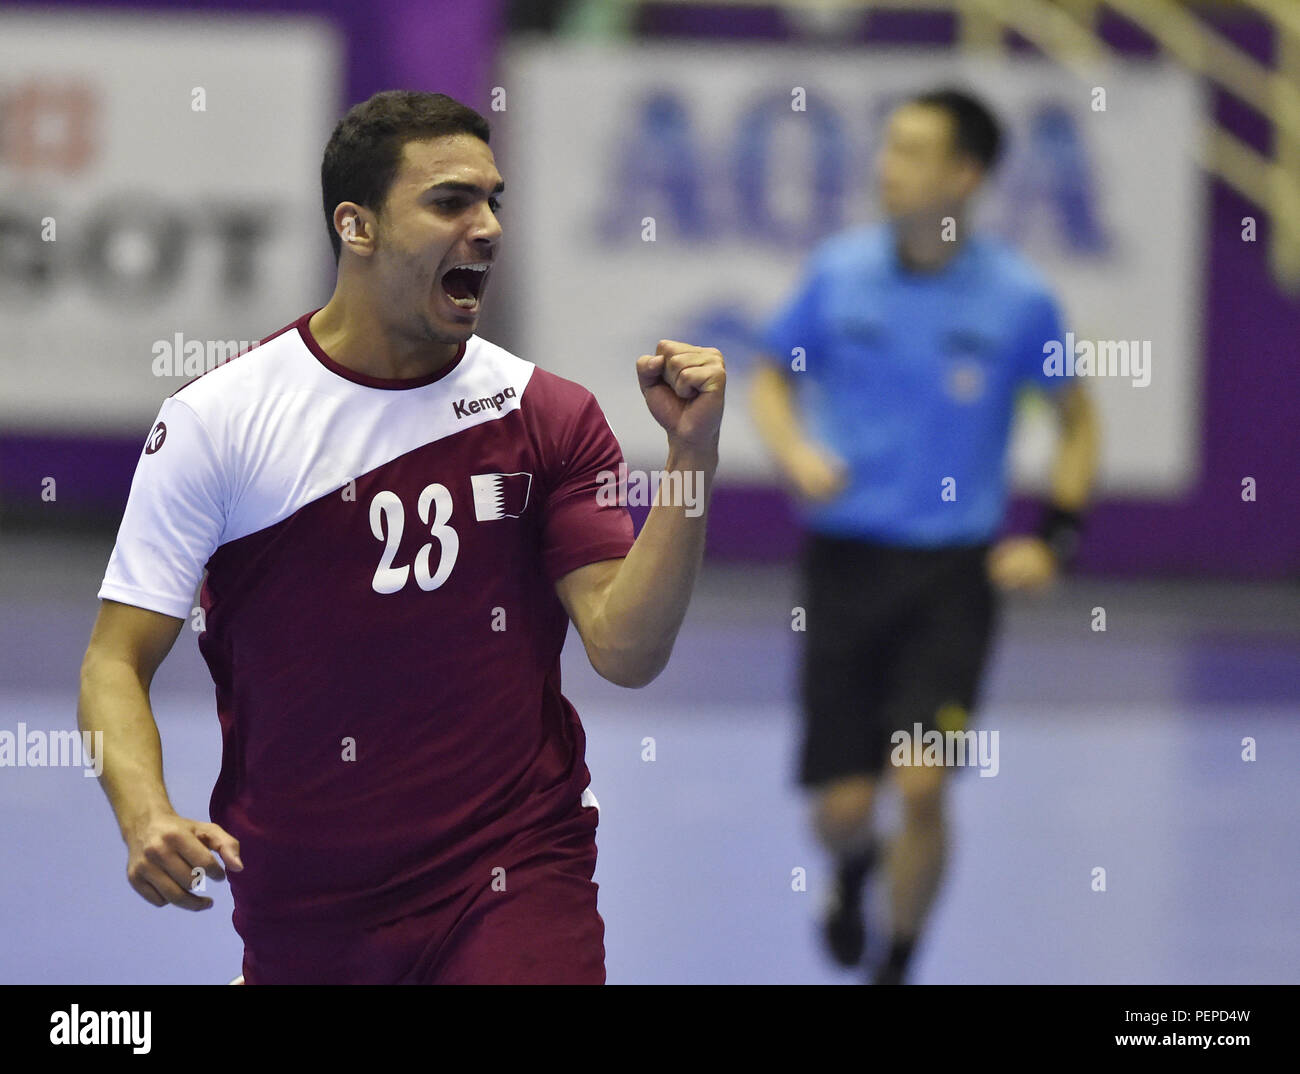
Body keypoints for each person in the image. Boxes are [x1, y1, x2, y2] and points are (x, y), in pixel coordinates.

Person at [78, 90, 725, 984]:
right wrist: (143, 811)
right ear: (358, 226)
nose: (488, 226)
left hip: (511, 865)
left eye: (495, 200)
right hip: (306, 890)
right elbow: (115, 660)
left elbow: (627, 648)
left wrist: (690, 457)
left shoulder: (549, 418)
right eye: (451, 202)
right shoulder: (218, 421)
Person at [750, 88, 1098, 984]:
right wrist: (793, 451)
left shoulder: (1019, 299)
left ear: (964, 175)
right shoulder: (837, 272)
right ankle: (851, 867)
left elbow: (1078, 418)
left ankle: (897, 963)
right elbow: (770, 377)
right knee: (845, 806)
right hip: (845, 569)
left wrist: (1052, 536)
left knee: (922, 782)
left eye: (910, 150)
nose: (885, 165)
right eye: (887, 144)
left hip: (951, 582)